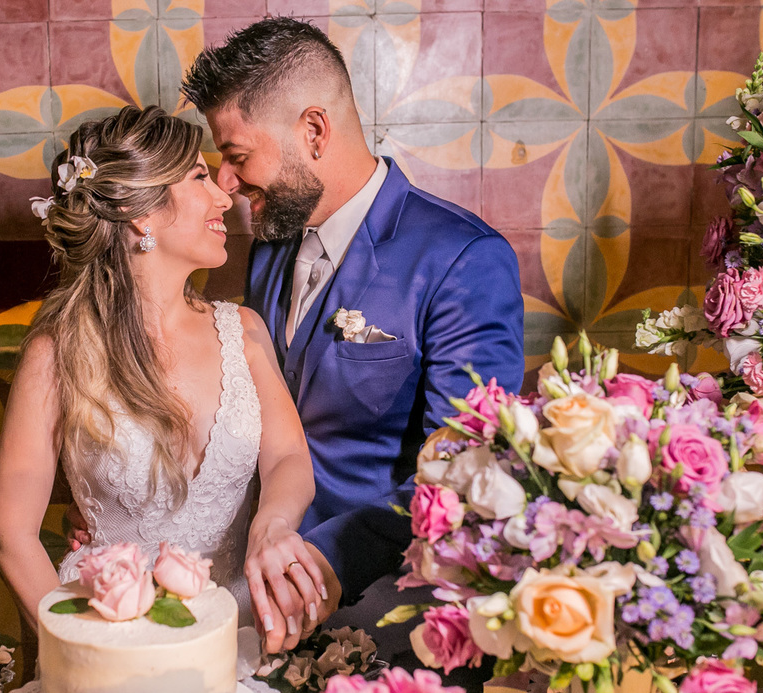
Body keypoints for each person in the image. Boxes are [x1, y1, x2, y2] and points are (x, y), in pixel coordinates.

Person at [180, 18, 525, 652]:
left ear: (313, 131)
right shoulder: (268, 248)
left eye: (235, 156)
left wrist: (329, 560)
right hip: (255, 585)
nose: (226, 182)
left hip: (393, 606)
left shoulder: (461, 259)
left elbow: (465, 471)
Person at [0, 106, 328, 633]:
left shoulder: (244, 329)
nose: (223, 195)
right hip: (106, 628)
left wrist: (273, 524)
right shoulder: (58, 352)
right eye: (199, 177)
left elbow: (286, 455)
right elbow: (10, 532)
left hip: (238, 629)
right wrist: (84, 652)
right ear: (142, 212)